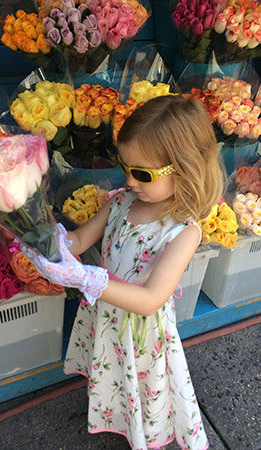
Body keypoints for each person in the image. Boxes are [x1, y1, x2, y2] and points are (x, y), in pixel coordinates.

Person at [22, 95, 224, 450]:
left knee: (141, 385)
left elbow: (150, 300)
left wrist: (87, 279)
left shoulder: (183, 231)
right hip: (106, 314)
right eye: (125, 166)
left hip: (139, 330)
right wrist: (52, 242)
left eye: (142, 173)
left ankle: (141, 432)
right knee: (112, 372)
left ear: (186, 168)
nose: (130, 181)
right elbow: (83, 237)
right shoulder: (120, 201)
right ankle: (114, 411)